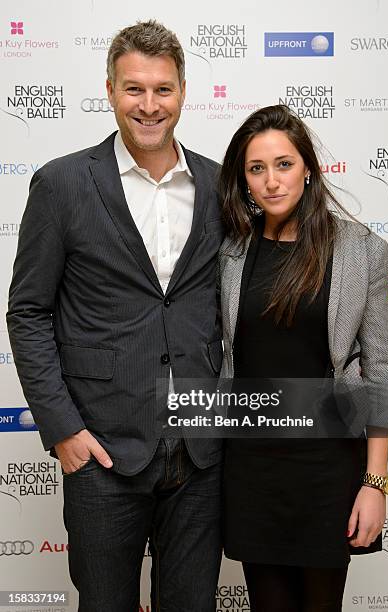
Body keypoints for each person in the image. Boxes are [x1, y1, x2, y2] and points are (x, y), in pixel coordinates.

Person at [7, 20, 224, 612]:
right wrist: (65, 433)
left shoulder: (219, 183)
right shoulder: (62, 184)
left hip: (201, 456)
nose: (149, 106)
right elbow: (27, 311)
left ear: (183, 91)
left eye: (163, 89)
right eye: (134, 89)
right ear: (109, 90)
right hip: (101, 450)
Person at [218, 105, 388, 612]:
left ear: (309, 168)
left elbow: (380, 372)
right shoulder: (230, 251)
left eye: (284, 164)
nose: (271, 181)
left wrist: (375, 484)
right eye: (257, 168)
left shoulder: (362, 249)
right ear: (243, 178)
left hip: (327, 471)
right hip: (252, 470)